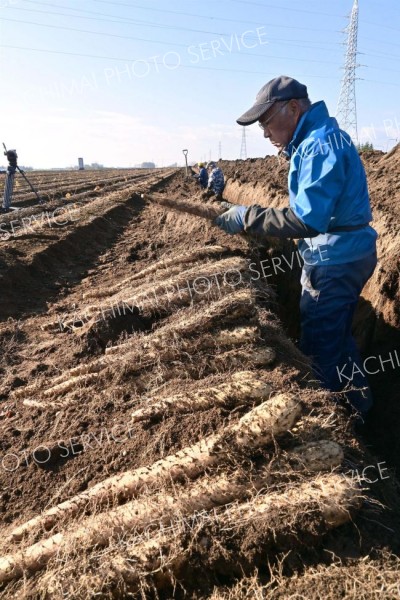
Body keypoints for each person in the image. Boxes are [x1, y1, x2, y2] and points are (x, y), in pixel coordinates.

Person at [215, 75, 378, 418]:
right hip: (347, 251)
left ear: (293, 107)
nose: (264, 133)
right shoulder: (320, 139)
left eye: (266, 122)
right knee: (338, 337)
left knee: (320, 346)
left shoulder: (319, 145)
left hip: (335, 259)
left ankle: (336, 419)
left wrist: (250, 217)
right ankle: (361, 407)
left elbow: (307, 221)